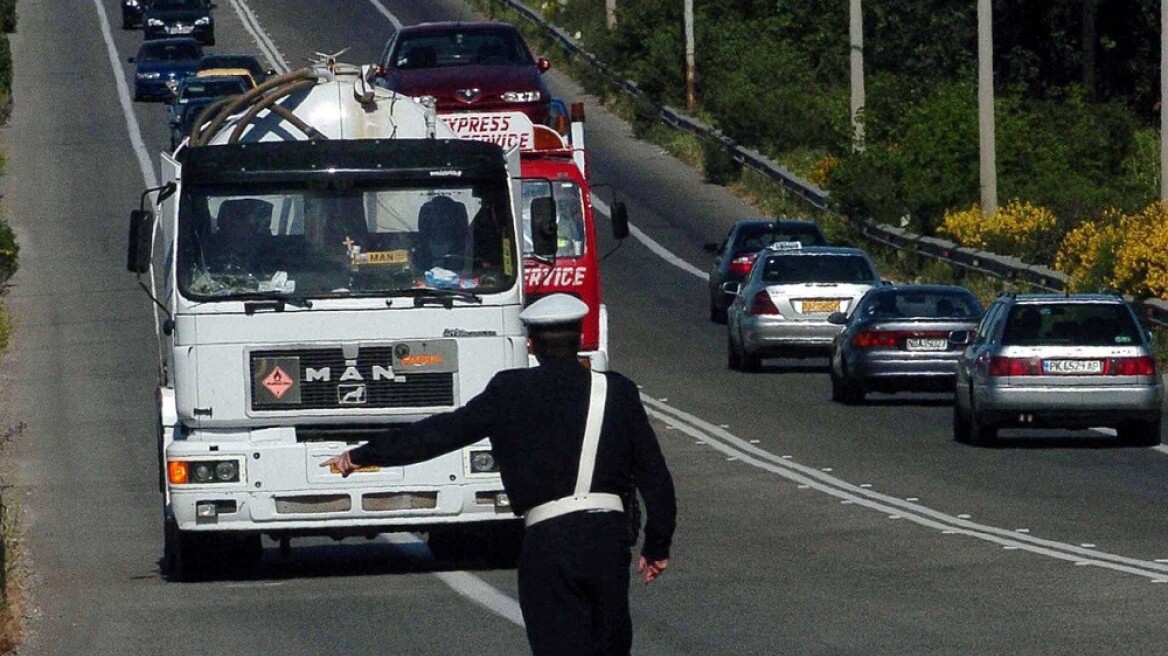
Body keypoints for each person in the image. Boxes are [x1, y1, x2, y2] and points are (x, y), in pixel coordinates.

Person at [323, 294, 677, 656]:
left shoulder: (510, 391)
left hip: (548, 540)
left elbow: (439, 434)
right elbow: (655, 476)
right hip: (607, 540)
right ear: (580, 336)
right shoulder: (617, 392)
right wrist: (657, 545)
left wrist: (363, 454)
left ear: (531, 344)